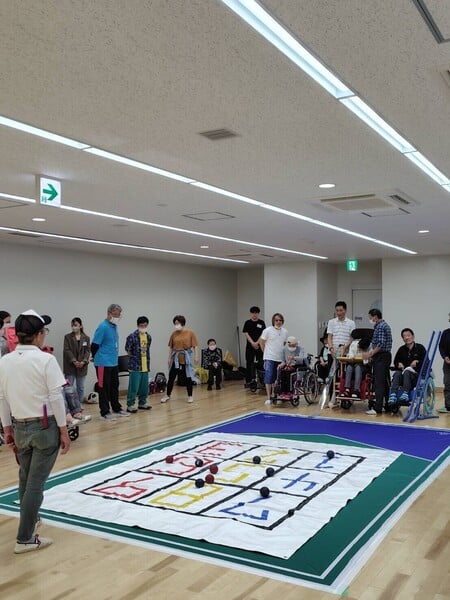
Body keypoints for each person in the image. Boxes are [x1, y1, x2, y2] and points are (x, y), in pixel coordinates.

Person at [0, 309, 70, 553]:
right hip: (44, 427)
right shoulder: (46, 360)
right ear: (39, 334)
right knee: (35, 484)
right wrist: (63, 430)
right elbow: (56, 397)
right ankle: (25, 538)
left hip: (19, 426)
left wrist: (7, 428)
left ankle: (32, 518)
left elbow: (2, 398)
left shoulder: (5, 361)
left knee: (26, 477)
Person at [91, 304, 129, 421]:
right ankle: (105, 412)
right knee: (103, 387)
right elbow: (94, 344)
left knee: (114, 386)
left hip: (113, 362)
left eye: (118, 315)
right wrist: (95, 357)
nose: (117, 317)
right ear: (109, 313)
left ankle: (116, 408)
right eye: (115, 315)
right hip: (103, 363)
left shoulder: (114, 326)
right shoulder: (103, 326)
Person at [160, 315, 199, 404]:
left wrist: (196, 356)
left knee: (188, 377)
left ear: (182, 323)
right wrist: (169, 358)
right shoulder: (174, 334)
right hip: (176, 358)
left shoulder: (190, 333)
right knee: (171, 377)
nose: (176, 325)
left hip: (186, 358)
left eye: (178, 323)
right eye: (175, 323)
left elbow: (195, 345)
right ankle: (168, 395)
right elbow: (171, 347)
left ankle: (190, 396)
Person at [363, 309, 392, 415]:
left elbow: (380, 344)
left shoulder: (380, 326)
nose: (370, 319)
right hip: (384, 356)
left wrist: (370, 354)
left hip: (381, 356)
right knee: (385, 382)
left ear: (375, 316)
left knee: (379, 383)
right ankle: (388, 405)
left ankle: (377, 408)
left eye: (370, 317)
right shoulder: (383, 325)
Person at [388, 328, 426, 406]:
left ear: (413, 336)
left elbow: (426, 362)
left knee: (407, 372)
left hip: (415, 377)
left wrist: (418, 362)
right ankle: (393, 394)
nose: (406, 338)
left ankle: (406, 393)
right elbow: (396, 362)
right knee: (397, 373)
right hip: (403, 375)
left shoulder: (420, 348)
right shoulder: (401, 349)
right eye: (404, 336)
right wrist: (398, 364)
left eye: (408, 335)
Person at [259, 313, 288, 405]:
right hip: (269, 357)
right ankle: (269, 397)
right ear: (273, 321)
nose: (278, 322)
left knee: (277, 378)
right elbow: (261, 342)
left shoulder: (285, 332)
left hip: (279, 358)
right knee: (269, 377)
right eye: (276, 320)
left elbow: (283, 344)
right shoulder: (267, 330)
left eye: (280, 320)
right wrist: (265, 353)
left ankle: (275, 395)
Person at [125, 316, 152, 413]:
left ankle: (142, 403)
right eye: (141, 325)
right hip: (135, 366)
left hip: (145, 365)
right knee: (134, 387)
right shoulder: (132, 336)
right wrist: (134, 358)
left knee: (144, 387)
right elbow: (128, 350)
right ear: (138, 325)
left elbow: (147, 349)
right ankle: (130, 405)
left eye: (145, 325)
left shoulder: (148, 337)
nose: (143, 327)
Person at [63, 317, 91, 405]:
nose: (73, 327)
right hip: (70, 366)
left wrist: (83, 361)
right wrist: (74, 361)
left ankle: (79, 405)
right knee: (69, 387)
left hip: (82, 366)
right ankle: (70, 406)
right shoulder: (67, 337)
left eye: (75, 325)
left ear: (80, 326)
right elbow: (67, 350)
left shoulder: (86, 338)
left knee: (80, 387)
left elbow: (88, 351)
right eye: (72, 325)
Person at [242, 306, 266, 386]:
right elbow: (246, 333)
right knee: (249, 363)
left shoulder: (261, 322)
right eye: (253, 313)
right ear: (251, 313)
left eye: (256, 313)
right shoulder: (247, 322)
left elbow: (263, 334)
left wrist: (257, 343)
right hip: (250, 346)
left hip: (259, 346)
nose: (254, 314)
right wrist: (252, 343)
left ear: (258, 314)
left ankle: (261, 380)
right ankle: (249, 381)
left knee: (260, 363)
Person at [438, 313, 450, 413]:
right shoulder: (446, 333)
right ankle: (448, 406)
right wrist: (445, 356)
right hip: (447, 363)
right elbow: (441, 346)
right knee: (447, 383)